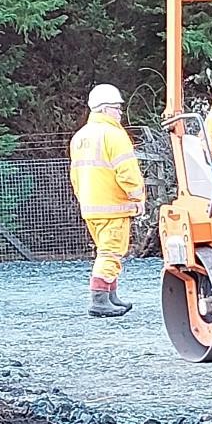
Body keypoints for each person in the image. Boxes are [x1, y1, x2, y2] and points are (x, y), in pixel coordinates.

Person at [69, 83, 145, 317]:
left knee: (105, 250)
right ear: (104, 109)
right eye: (116, 108)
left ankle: (111, 296)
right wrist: (137, 197)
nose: (120, 113)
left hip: (91, 207)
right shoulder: (114, 135)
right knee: (111, 252)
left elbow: (75, 175)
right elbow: (127, 172)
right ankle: (100, 299)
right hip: (114, 206)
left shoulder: (80, 137)